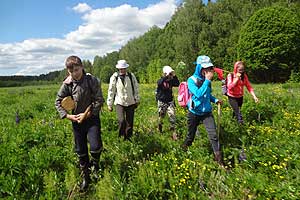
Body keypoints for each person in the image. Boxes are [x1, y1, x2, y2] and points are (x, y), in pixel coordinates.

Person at [55, 56, 104, 192]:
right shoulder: (67, 84)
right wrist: (69, 116)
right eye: (71, 72)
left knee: (95, 146)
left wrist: (87, 114)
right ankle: (85, 176)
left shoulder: (91, 80)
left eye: (76, 70)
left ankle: (95, 165)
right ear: (68, 72)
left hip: (92, 119)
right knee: (80, 150)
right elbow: (58, 102)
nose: (74, 74)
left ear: (81, 67)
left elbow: (99, 100)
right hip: (76, 122)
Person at [181, 55, 223, 165]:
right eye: (206, 68)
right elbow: (198, 94)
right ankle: (183, 150)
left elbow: (207, 95)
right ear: (200, 68)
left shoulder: (206, 80)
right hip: (194, 113)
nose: (209, 71)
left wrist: (215, 100)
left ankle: (219, 161)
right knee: (191, 136)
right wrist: (207, 81)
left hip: (207, 113)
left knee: (213, 135)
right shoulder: (191, 80)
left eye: (210, 68)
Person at [107, 59, 140, 141]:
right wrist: (109, 104)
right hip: (119, 102)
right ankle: (121, 138)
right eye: (121, 69)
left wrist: (137, 99)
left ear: (126, 68)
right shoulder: (114, 77)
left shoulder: (131, 76)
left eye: (124, 68)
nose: (122, 70)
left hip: (131, 102)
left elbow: (136, 88)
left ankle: (128, 138)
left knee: (130, 123)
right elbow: (111, 91)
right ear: (118, 69)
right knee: (121, 121)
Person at [156, 66, 180, 140]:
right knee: (161, 117)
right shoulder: (161, 80)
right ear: (165, 73)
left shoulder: (171, 80)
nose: (170, 75)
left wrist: (174, 75)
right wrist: (165, 77)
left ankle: (173, 133)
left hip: (170, 101)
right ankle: (159, 127)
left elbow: (177, 84)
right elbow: (159, 83)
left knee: (172, 116)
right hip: (162, 101)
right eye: (169, 73)